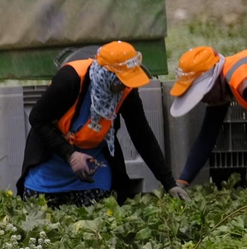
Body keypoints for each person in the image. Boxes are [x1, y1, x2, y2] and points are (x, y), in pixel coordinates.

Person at [15, 40, 186, 206]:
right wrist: (71, 155)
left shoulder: (126, 90)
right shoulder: (71, 79)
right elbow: (37, 118)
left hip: (94, 166)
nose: (125, 86)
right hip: (52, 160)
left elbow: (142, 135)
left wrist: (169, 183)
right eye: (121, 80)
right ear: (106, 75)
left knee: (99, 221)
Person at [168, 46, 247, 187]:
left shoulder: (242, 80)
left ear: (213, 81)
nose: (203, 100)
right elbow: (207, 137)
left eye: (202, 94)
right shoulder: (221, 86)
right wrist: (182, 181)